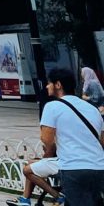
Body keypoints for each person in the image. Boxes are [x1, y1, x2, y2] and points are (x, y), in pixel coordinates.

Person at [37, 66, 104, 206]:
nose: (47, 86)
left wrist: (51, 152)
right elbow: (102, 141)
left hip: (73, 168)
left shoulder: (52, 107)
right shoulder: (92, 108)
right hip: (99, 167)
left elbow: (46, 139)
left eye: (49, 83)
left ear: (58, 85)